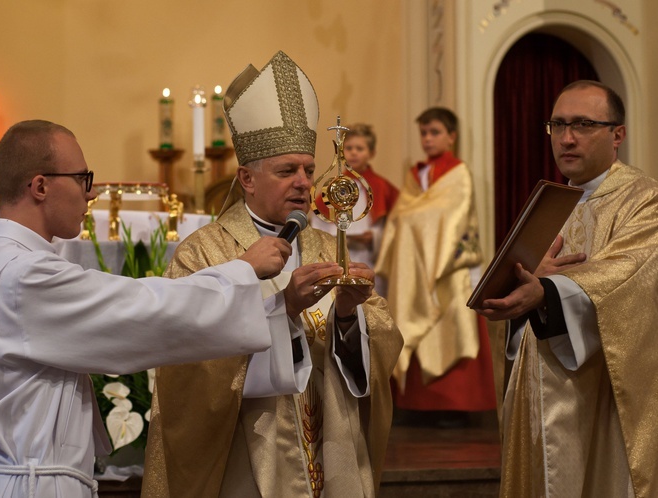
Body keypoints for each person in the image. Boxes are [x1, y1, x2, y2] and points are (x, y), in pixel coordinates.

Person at [0, 119, 294, 498]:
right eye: (82, 178)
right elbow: (143, 310)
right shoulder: (25, 275)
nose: (91, 193)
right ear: (41, 186)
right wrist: (244, 270)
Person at [142, 51, 403, 497]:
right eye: (287, 171)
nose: (304, 182)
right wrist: (282, 311)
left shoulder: (327, 249)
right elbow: (185, 373)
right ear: (246, 178)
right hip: (247, 464)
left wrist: (346, 317)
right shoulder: (204, 253)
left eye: (307, 168)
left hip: (333, 454)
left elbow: (382, 346)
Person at [475, 80, 658, 497]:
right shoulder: (550, 203)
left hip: (603, 400)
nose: (567, 138)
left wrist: (548, 291)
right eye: (557, 125)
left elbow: (629, 276)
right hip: (537, 392)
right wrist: (513, 291)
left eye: (583, 124)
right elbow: (519, 282)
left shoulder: (645, 200)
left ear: (618, 135)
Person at [375, 107, 496, 423]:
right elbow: (403, 216)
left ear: (451, 136)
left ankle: (452, 405)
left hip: (447, 270)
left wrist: (413, 220)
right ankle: (416, 404)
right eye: (424, 134)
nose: (427, 139)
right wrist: (413, 220)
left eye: (435, 133)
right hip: (414, 270)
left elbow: (453, 218)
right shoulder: (415, 176)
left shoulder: (458, 173)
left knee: (449, 327)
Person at [309, 123, 399, 296]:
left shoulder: (380, 186)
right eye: (349, 148)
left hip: (369, 257)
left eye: (360, 148)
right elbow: (318, 221)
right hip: (337, 257)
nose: (354, 152)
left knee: (370, 300)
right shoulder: (333, 186)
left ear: (371, 153)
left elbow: (393, 227)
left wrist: (374, 237)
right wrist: (332, 239)